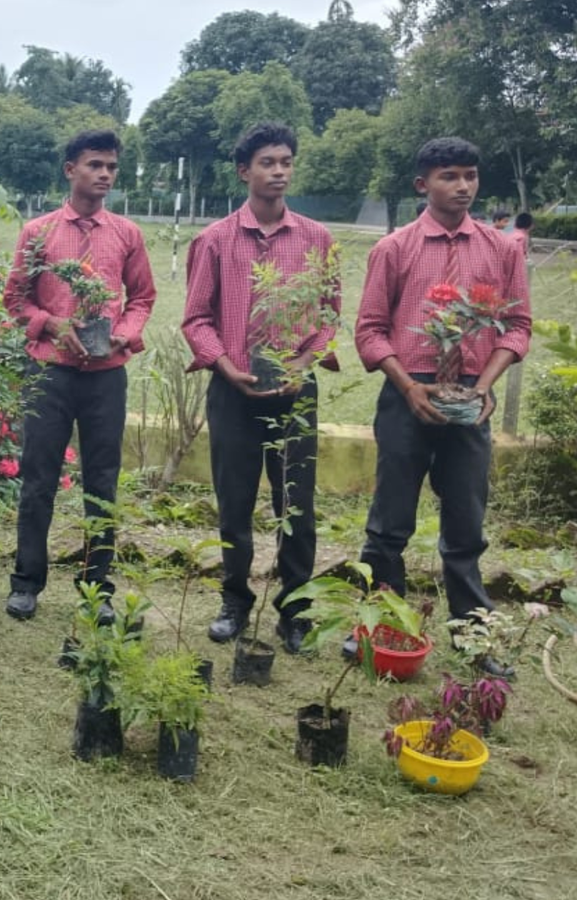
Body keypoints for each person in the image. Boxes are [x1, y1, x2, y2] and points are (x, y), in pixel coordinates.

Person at [353, 137, 533, 674]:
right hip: (408, 393)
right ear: (422, 184)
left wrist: (483, 386)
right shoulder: (395, 249)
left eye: (470, 176)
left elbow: (518, 326)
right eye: (449, 176)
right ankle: (380, 625)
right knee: (389, 522)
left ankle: (472, 634)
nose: (462, 186)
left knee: (466, 522)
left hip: (471, 398)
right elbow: (369, 331)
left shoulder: (502, 249)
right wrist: (409, 387)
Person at [182, 123, 340, 653]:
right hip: (233, 389)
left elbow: (328, 314)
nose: (278, 171)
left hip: (296, 392)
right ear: (244, 171)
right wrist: (223, 364)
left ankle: (294, 609)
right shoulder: (215, 239)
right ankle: (234, 600)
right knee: (234, 501)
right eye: (267, 162)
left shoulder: (318, 239)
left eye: (286, 161)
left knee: (296, 504)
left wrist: (301, 362)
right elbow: (197, 318)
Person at [2, 129, 156, 623]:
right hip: (50, 371)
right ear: (70, 170)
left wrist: (125, 334)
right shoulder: (39, 232)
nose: (105, 174)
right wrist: (52, 324)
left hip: (106, 375)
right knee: (39, 478)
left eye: (111, 166)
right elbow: (15, 299)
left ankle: (98, 588)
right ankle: (27, 581)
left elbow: (144, 297)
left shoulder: (127, 234)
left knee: (102, 482)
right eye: (95, 165)